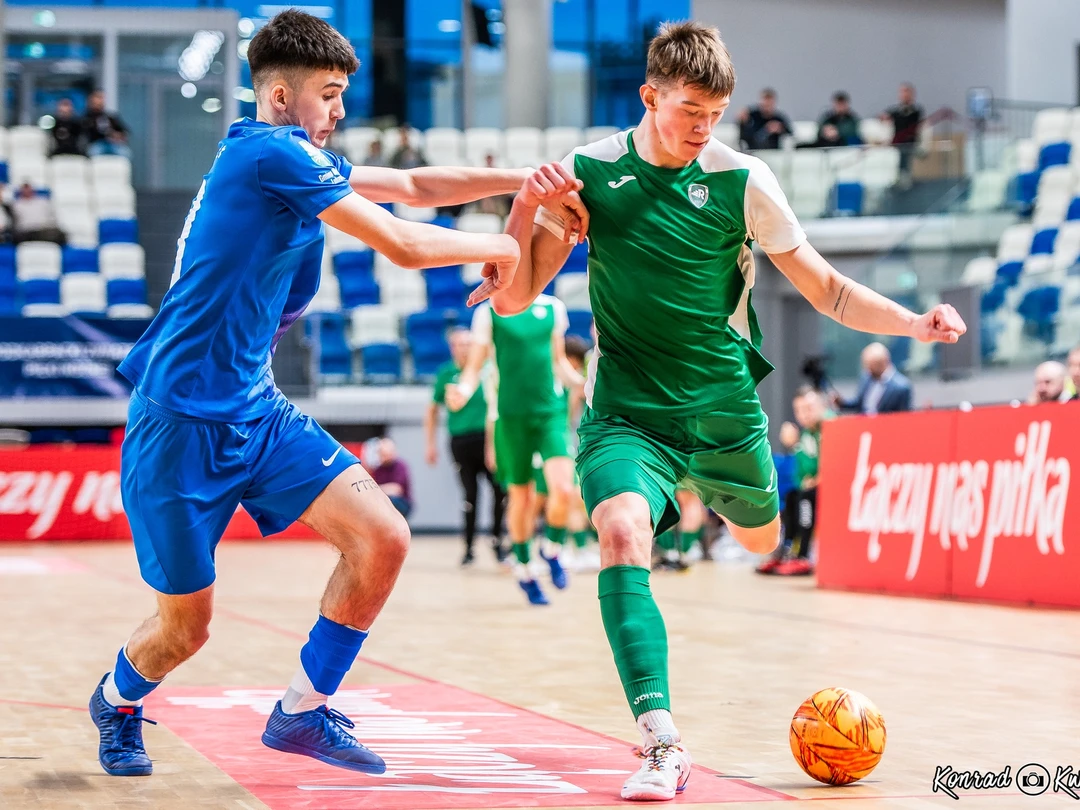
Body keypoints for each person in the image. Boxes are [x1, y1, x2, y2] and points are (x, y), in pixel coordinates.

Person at [467, 20, 967, 801]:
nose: (704, 127)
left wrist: (911, 323)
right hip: (628, 413)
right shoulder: (590, 174)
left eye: (716, 112)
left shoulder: (742, 180)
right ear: (650, 96)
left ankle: (707, 495)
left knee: (762, 537)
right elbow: (519, 295)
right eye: (690, 110)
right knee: (623, 532)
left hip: (725, 412)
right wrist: (530, 224)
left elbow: (827, 289)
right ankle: (661, 740)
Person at [87, 9, 558, 780]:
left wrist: (528, 181)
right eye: (331, 94)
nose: (341, 111)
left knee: (384, 536)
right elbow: (403, 243)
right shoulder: (271, 153)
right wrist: (507, 244)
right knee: (184, 630)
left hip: (256, 410)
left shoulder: (293, 154)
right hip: (176, 424)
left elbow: (414, 186)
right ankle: (118, 698)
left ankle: (302, 711)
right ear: (279, 97)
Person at [447, 294, 585, 606]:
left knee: (563, 489)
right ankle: (524, 570)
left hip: (550, 412)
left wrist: (582, 382)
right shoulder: (489, 312)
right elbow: (475, 367)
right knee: (520, 497)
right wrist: (463, 391)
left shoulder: (553, 308)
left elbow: (558, 359)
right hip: (510, 416)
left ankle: (552, 549)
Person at [426, 326, 507, 566]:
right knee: (470, 495)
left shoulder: (488, 371)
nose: (464, 349)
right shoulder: (447, 373)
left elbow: (498, 410)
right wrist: (429, 444)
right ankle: (469, 548)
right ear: (452, 348)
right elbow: (432, 409)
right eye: (460, 344)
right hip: (461, 442)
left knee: (499, 492)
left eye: (468, 344)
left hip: (489, 441)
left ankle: (497, 543)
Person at [765, 386, 832, 576]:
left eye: (809, 408)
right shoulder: (806, 434)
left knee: (804, 497)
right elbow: (803, 471)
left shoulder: (831, 425)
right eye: (799, 410)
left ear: (821, 406)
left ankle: (803, 555)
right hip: (811, 488)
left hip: (832, 488)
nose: (804, 415)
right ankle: (787, 552)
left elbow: (836, 463)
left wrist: (817, 480)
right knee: (793, 495)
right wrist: (794, 444)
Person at [833, 342, 913, 415]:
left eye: (872, 366)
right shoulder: (866, 378)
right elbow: (859, 403)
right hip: (863, 426)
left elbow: (903, 416)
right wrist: (842, 403)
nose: (869, 370)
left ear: (884, 362)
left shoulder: (902, 387)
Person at [882, 83, 924, 183]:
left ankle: (904, 176)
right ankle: (895, 178)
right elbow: (886, 116)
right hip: (896, 143)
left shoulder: (916, 111)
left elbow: (908, 121)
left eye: (906, 92)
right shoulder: (895, 111)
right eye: (902, 92)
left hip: (909, 142)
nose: (904, 95)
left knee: (904, 152)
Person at [370, 437, 413, 518]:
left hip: (401, 502)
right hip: (383, 501)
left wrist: (377, 489)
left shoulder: (400, 466)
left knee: (391, 501)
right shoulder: (377, 469)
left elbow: (396, 489)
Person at [83, 90, 132, 158]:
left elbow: (125, 131)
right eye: (97, 98)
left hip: (113, 144)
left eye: (101, 98)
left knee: (124, 152)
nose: (99, 101)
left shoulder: (110, 117)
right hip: (96, 144)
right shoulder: (86, 118)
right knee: (94, 151)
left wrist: (118, 135)